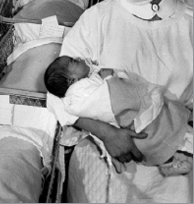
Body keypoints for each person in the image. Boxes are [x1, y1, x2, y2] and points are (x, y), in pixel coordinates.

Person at [47, 0, 193, 202]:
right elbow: (60, 94)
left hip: (176, 156)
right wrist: (106, 132)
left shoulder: (188, 25)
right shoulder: (98, 18)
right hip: (107, 155)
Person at [45, 56, 192, 177]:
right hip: (133, 121)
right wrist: (109, 78)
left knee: (161, 129)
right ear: (72, 80)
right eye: (74, 62)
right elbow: (112, 97)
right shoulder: (79, 93)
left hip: (129, 122)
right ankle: (170, 160)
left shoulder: (77, 94)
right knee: (160, 129)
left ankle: (171, 158)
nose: (79, 58)